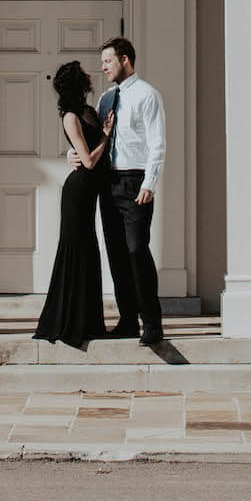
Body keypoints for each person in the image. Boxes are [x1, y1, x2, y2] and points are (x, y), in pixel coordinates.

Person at [84, 35, 165, 345]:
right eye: (103, 61)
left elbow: (157, 143)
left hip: (135, 181)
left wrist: (149, 182)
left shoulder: (148, 95)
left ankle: (152, 324)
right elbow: (95, 139)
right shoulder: (106, 98)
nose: (103, 67)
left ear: (125, 60)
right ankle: (128, 320)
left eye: (108, 61)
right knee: (116, 253)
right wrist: (73, 154)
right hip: (108, 182)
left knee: (136, 250)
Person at [32, 60, 109, 350]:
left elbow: (85, 153)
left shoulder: (90, 111)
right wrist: (105, 135)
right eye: (84, 74)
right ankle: (65, 321)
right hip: (77, 193)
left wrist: (91, 142)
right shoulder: (71, 117)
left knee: (89, 251)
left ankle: (89, 321)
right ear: (77, 83)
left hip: (90, 192)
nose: (90, 76)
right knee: (74, 250)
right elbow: (88, 160)